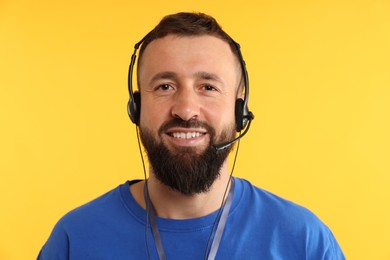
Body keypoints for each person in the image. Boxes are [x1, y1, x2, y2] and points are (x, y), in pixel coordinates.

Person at [38, 12, 345, 259]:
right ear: (136, 107)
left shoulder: (305, 241)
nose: (186, 110)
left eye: (208, 87)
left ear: (240, 111)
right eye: (165, 86)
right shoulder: (74, 239)